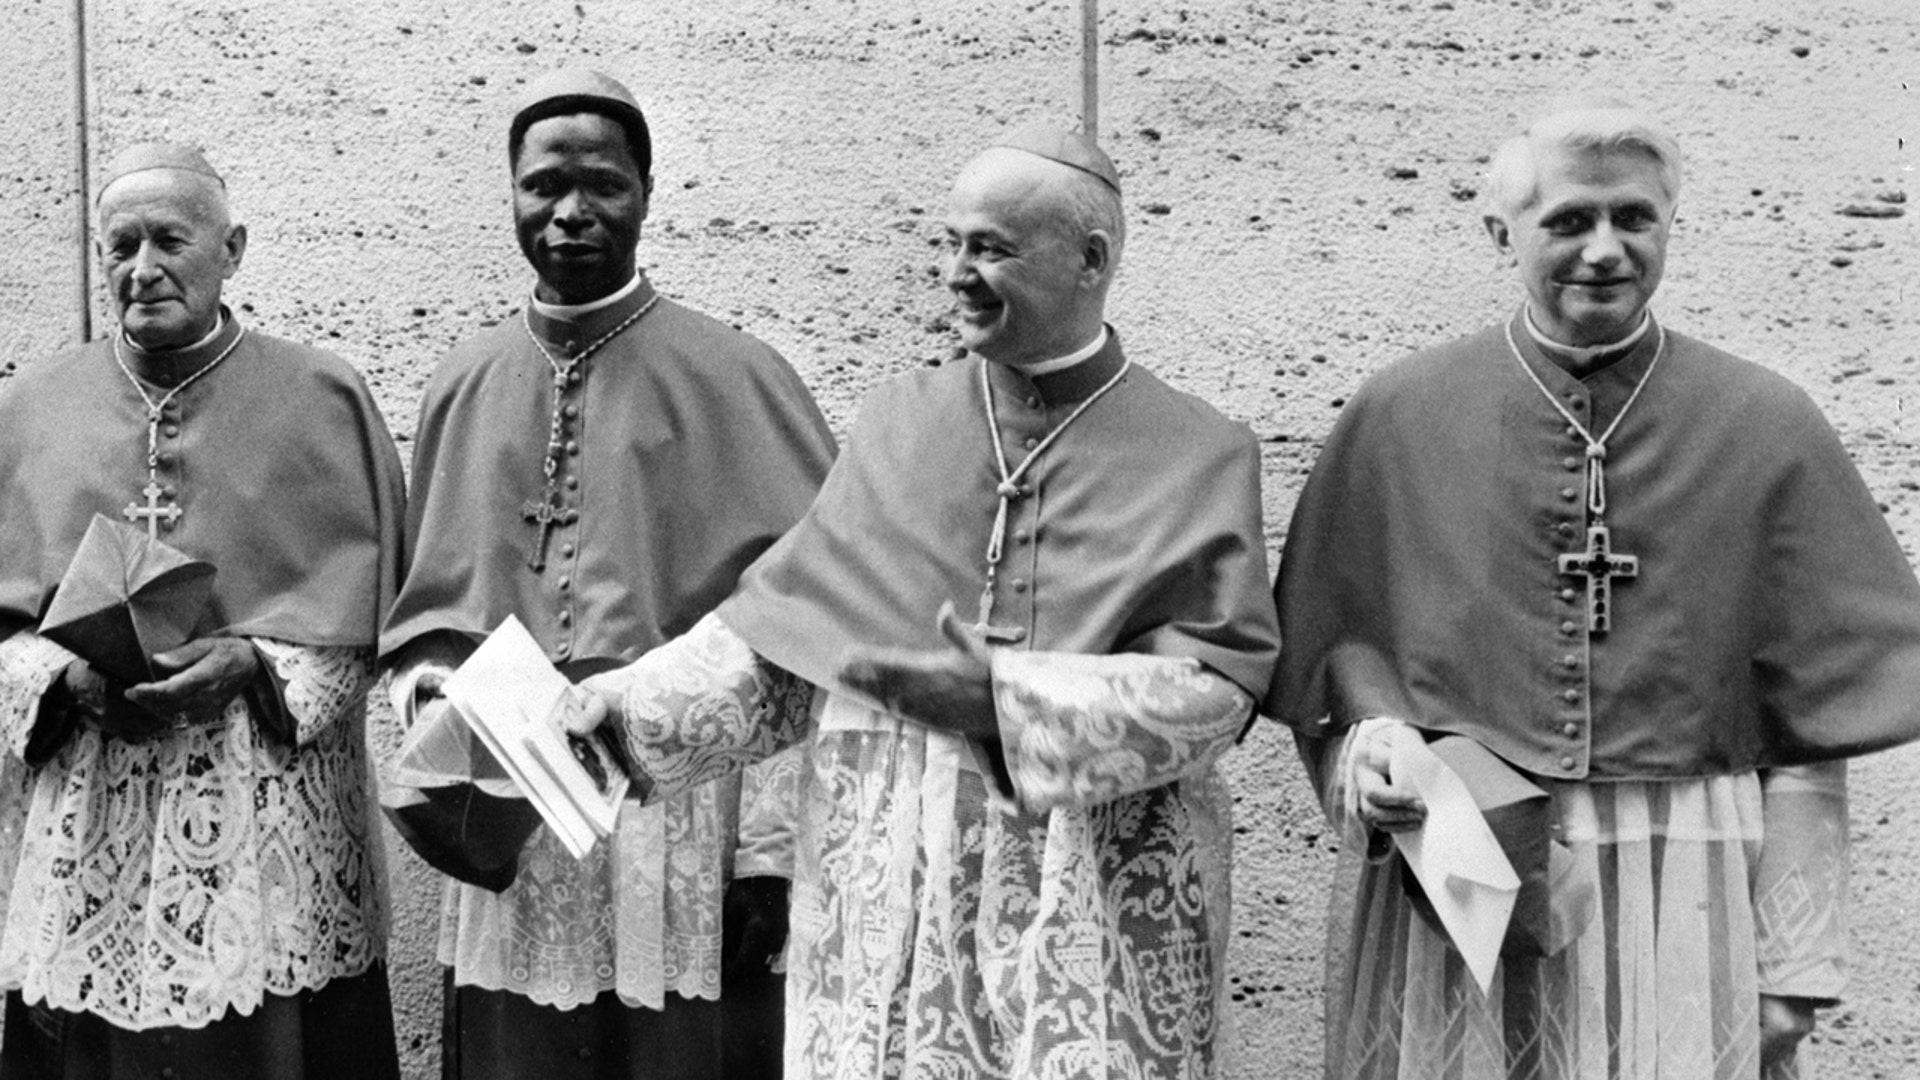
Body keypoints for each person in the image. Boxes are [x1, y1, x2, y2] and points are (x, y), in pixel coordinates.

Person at [556, 124, 1280, 1079]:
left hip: (1085, 903)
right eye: (951, 244)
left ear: (1091, 261)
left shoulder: (1199, 451)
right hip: (885, 885)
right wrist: (633, 703)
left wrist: (1008, 704)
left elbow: (1215, 695)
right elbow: (787, 647)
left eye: (990, 248)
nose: (957, 273)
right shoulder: (900, 419)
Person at [1269, 97, 1920, 1080]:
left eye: (1634, 218)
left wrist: (1796, 964)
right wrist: (1367, 757)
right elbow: (1333, 683)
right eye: (1570, 220)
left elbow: (1810, 738)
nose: (1606, 250)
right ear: (1502, 233)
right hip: (1459, 893)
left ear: (1670, 225)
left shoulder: (1765, 423)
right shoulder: (1400, 418)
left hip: (1687, 890)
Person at [377, 67, 835, 1079]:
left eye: (602, 184)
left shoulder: (738, 376)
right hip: (514, 808)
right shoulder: (466, 378)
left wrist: (769, 853)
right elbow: (423, 626)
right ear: (511, 194)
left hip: (679, 822)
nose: (571, 212)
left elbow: (803, 635)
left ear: (647, 190)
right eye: (543, 185)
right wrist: (436, 700)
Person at [0, 141, 405, 1078]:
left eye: (169, 241)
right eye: (120, 247)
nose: (141, 269)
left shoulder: (323, 397)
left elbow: (374, 617)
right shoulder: (30, 408)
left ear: (233, 248)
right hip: (94, 806)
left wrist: (258, 664)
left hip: (261, 801)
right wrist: (60, 680)